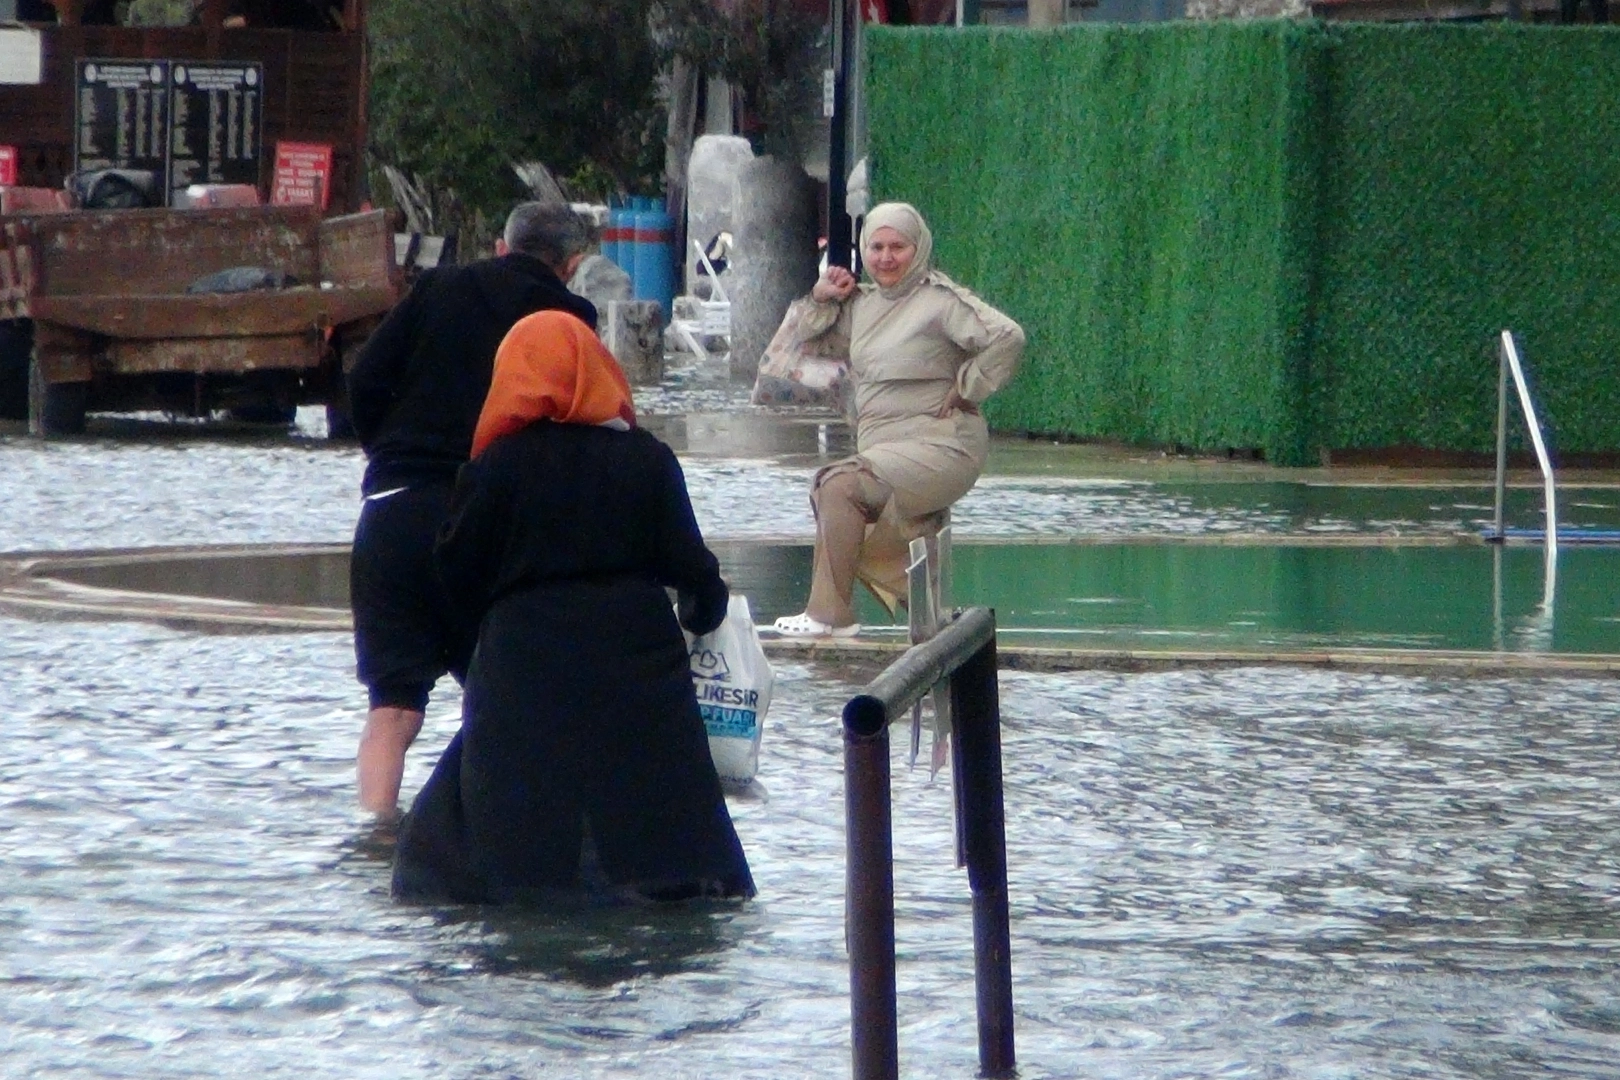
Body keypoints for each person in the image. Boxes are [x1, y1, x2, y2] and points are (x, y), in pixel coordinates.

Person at [391, 310, 754, 904]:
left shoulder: (497, 467)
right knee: (657, 814)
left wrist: (481, 643)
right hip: (637, 661)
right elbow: (693, 571)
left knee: (518, 813)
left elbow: (454, 572)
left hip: (525, 660)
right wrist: (702, 618)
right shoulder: (646, 458)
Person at [347, 203, 598, 818]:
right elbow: (575, 426)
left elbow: (365, 377)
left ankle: (376, 831)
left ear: (500, 245)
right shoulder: (569, 318)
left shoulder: (437, 286)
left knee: (393, 707)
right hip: (487, 515)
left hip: (394, 507)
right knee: (499, 692)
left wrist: (390, 453)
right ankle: (485, 831)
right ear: (572, 264)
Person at [772, 202, 1025, 638]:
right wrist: (820, 299)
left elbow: (1008, 337)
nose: (886, 258)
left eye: (898, 247)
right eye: (876, 247)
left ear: (918, 248)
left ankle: (829, 617)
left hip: (943, 445)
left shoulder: (939, 301)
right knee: (835, 492)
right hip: (884, 449)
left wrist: (968, 387)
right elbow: (791, 357)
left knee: (838, 485)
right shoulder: (861, 306)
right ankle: (921, 605)